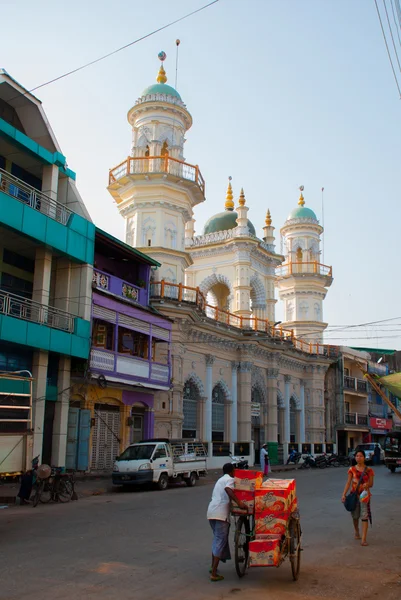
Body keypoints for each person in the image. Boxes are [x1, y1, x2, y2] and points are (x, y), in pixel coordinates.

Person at [207, 463, 246, 582]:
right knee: (220, 541)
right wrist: (239, 503)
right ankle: (213, 573)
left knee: (217, 540)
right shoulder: (229, 479)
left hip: (211, 512)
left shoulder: (220, 479)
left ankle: (212, 567)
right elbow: (228, 490)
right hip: (220, 514)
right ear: (232, 471)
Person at [342, 449, 374, 546]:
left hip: (364, 496)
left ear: (364, 458)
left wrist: (367, 485)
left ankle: (363, 539)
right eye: (357, 456)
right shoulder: (352, 469)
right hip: (354, 495)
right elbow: (348, 483)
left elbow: (372, 484)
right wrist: (344, 494)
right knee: (355, 516)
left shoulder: (369, 470)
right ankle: (357, 531)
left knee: (365, 516)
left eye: (360, 456)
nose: (358, 458)